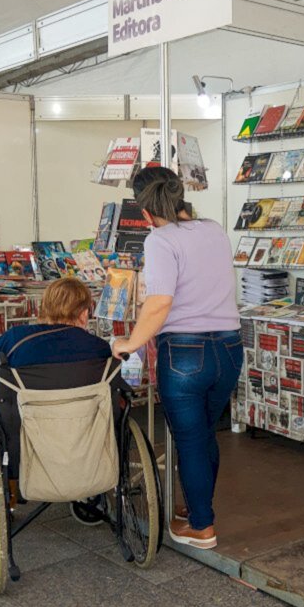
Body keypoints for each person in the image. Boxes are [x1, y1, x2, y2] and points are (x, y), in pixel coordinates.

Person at [111, 166, 242, 550]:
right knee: (204, 435)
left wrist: (129, 343)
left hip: (185, 353)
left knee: (189, 441)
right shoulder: (214, 229)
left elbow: (160, 302)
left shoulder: (160, 241)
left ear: (145, 212)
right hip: (229, 348)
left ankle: (202, 526)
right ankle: (198, 508)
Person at [0, 276, 111, 397]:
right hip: (87, 430)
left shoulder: (15, 339)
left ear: (43, 307)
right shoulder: (100, 348)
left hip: (25, 430)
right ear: (84, 314)